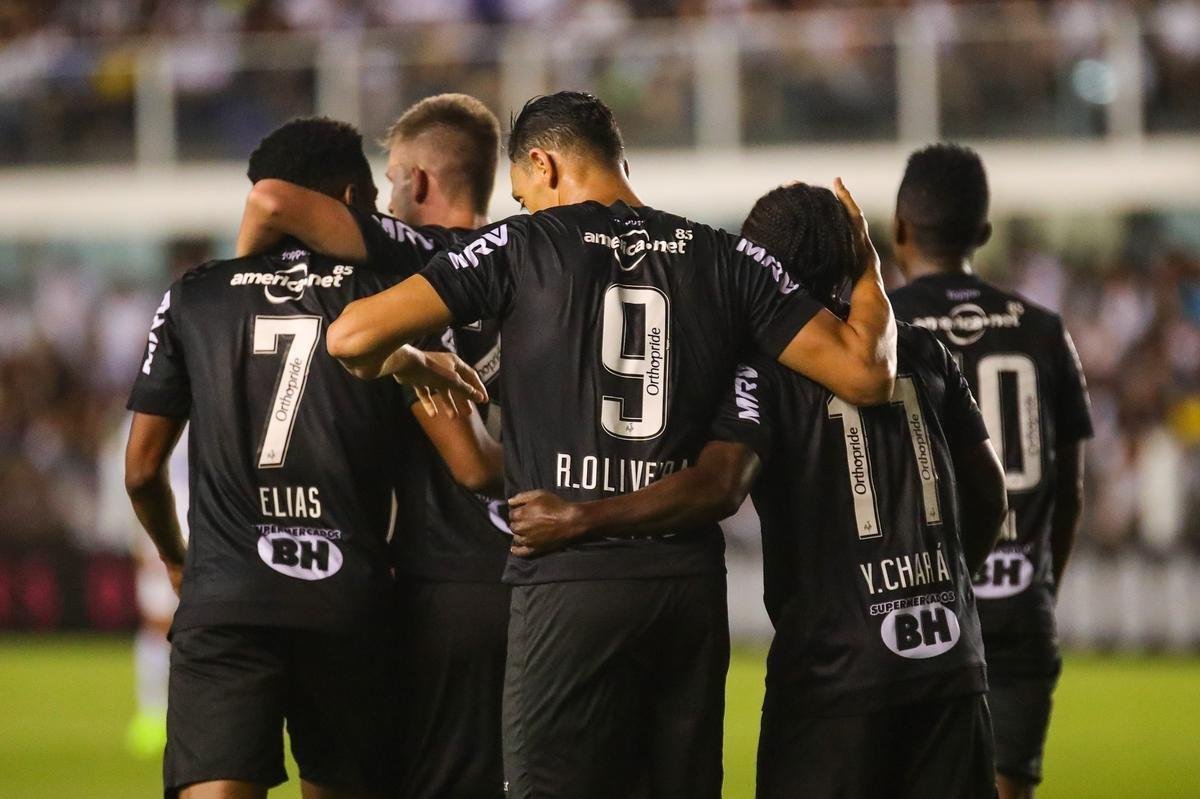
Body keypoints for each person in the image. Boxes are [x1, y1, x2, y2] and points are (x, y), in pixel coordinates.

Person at [325, 91, 897, 799]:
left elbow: (349, 337)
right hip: (685, 588)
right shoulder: (726, 257)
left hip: (568, 583)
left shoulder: (522, 245)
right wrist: (867, 265)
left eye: (524, 192)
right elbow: (867, 375)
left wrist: (414, 360)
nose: (526, 206)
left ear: (543, 163)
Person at [507, 182, 1010, 798]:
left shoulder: (764, 369)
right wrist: (940, 591)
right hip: (952, 667)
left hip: (833, 675)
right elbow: (991, 496)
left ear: (764, 270)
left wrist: (581, 518)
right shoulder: (925, 351)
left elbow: (720, 486)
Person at [125, 116, 485, 799]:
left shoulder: (193, 294)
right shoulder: (385, 299)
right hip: (348, 601)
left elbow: (141, 470)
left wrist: (175, 556)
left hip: (226, 597)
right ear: (349, 198)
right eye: (371, 201)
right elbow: (467, 462)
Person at [235, 93, 510, 799]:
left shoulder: (414, 266)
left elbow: (272, 202)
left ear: (417, 180)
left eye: (391, 181)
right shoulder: (533, 263)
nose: (387, 199)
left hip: (443, 582)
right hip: (541, 576)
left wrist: (235, 301)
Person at [888, 144, 1093, 799]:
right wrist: (1036, 589)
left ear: (899, 227)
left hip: (911, 610)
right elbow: (1070, 492)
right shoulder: (1045, 331)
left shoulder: (878, 331)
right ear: (983, 232)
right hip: (1018, 605)